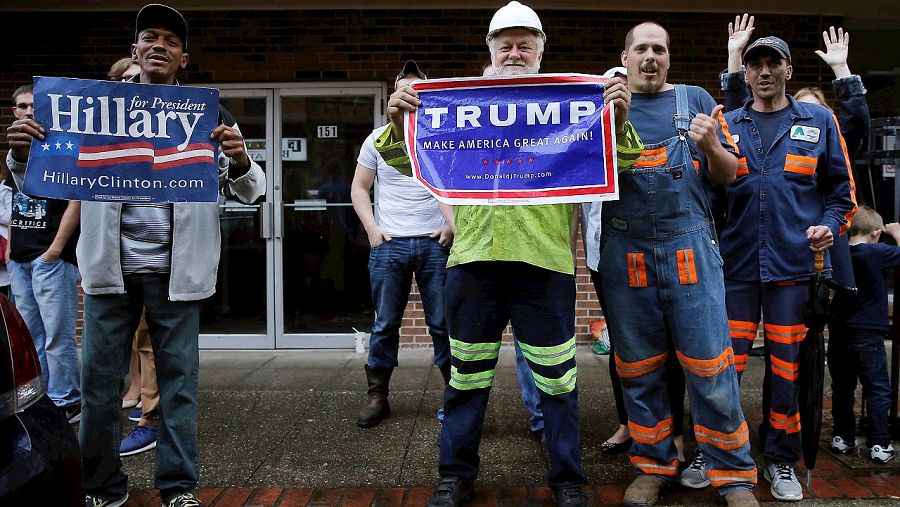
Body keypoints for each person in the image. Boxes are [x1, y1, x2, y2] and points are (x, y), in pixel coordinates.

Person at [383, 3, 643, 505]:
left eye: (525, 44)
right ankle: (454, 476)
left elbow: (623, 162)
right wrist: (399, 124)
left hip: (544, 264)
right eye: (506, 44)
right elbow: (403, 160)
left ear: (541, 53)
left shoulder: (574, 105)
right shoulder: (460, 106)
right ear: (491, 51)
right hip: (473, 262)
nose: (515, 53)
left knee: (558, 380)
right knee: (465, 376)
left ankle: (568, 480)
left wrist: (620, 119)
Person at [5, 4, 265, 507]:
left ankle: (178, 487)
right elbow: (48, 180)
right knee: (98, 389)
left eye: (171, 40)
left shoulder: (208, 115)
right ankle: (103, 487)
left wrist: (240, 159)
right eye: (150, 36)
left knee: (179, 388)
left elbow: (251, 194)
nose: (159, 45)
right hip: (110, 272)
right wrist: (20, 155)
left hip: (177, 275)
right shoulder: (93, 112)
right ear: (134, 51)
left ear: (183, 58)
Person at [600, 22, 759, 507]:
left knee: (712, 367)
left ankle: (732, 476)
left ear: (669, 57)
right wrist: (612, 122)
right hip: (625, 256)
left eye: (660, 49)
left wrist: (712, 145)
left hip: (691, 250)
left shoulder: (694, 98)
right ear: (625, 57)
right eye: (642, 49)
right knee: (640, 369)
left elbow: (730, 175)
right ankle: (653, 467)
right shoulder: (599, 106)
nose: (651, 57)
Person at [718, 34, 857, 501]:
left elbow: (843, 194)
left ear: (787, 71)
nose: (763, 72)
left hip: (793, 271)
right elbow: (708, 193)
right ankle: (717, 453)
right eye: (754, 64)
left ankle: (780, 460)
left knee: (786, 371)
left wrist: (829, 227)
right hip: (734, 268)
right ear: (747, 73)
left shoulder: (818, 121)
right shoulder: (728, 124)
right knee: (724, 368)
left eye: (772, 63)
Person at [350, 59, 454, 429]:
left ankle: (454, 399)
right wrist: (373, 231)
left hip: (434, 244)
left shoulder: (442, 137)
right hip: (390, 244)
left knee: (443, 324)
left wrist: (450, 225)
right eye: (404, 89)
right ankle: (377, 396)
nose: (411, 95)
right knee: (385, 324)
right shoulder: (377, 140)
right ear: (393, 95)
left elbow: (458, 185)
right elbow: (359, 189)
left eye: (418, 90)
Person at [5, 84, 82, 424]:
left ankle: (66, 399)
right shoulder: (15, 153)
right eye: (22, 106)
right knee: (31, 337)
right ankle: (41, 399)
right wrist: (9, 251)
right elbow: (8, 205)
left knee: (57, 337)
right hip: (19, 258)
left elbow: (75, 202)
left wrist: (54, 251)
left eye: (34, 106)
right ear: (14, 112)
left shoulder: (61, 149)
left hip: (50, 258)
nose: (28, 112)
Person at [482, 61, 544, 440]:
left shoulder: (545, 136)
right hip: (480, 258)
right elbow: (423, 171)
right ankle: (460, 433)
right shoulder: (467, 138)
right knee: (470, 359)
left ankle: (541, 421)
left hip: (535, 257)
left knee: (537, 354)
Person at [827, 206, 899, 464]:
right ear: (876, 232)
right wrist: (897, 232)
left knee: (843, 385)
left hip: (839, 327)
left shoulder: (840, 251)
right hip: (867, 329)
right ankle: (880, 443)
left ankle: (842, 436)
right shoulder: (876, 251)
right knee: (877, 387)